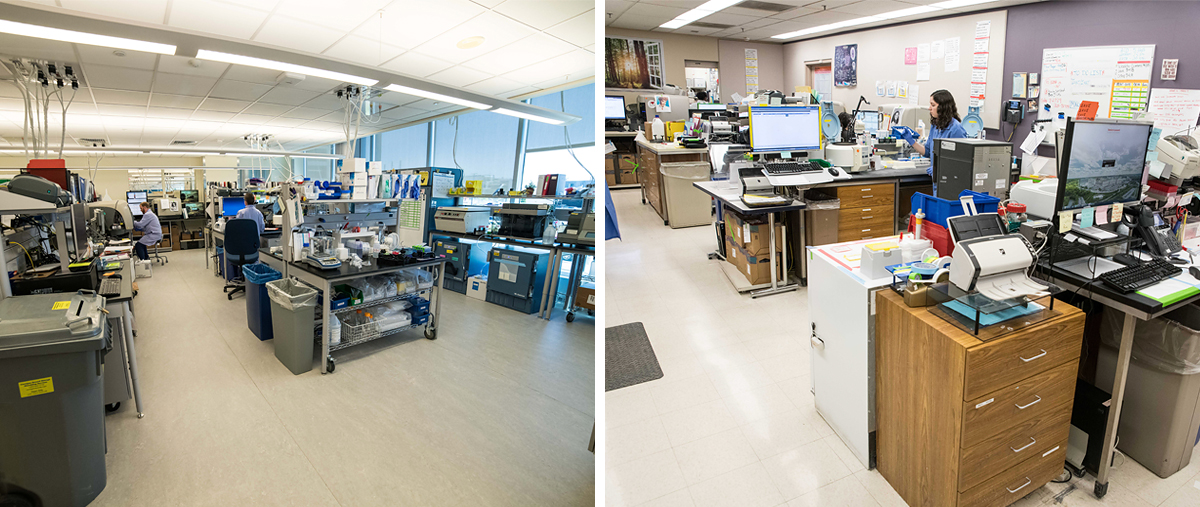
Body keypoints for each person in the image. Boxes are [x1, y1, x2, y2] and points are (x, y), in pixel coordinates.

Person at [898, 89, 968, 176]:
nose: (929, 108)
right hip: (937, 180)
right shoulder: (935, 126)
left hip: (951, 180)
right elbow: (927, 152)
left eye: (933, 105)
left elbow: (961, 161)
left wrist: (940, 169)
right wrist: (911, 141)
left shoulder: (956, 129)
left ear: (943, 107)